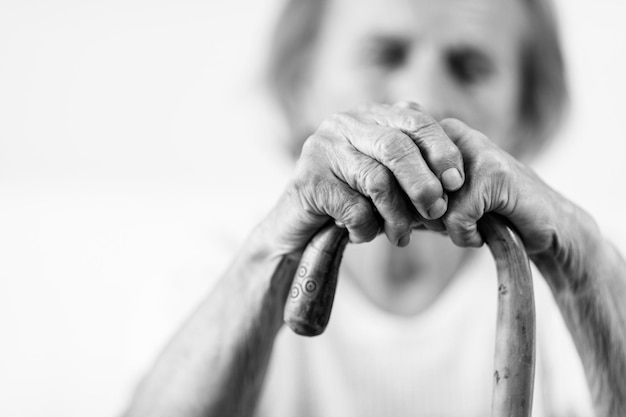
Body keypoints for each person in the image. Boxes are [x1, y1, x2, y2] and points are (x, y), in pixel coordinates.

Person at [123, 0, 626, 416]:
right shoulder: (214, 269)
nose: (423, 97)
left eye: (470, 67)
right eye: (384, 54)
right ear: (301, 84)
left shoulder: (576, 289)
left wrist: (579, 261)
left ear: (526, 114)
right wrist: (274, 254)